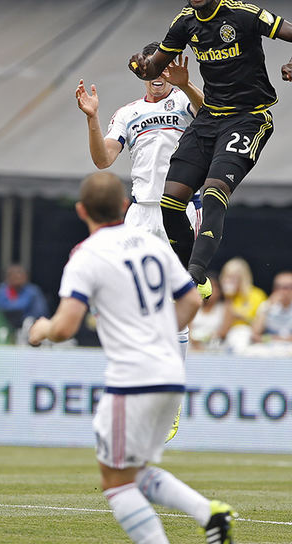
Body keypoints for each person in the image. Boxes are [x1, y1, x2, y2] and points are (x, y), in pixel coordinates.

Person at [28, 172, 237, 544]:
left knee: (117, 483)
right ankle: (209, 514)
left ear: (81, 211)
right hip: (169, 370)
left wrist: (40, 330)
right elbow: (192, 300)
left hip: (133, 376)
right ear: (125, 207)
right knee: (133, 472)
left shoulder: (86, 254)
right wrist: (157, 333)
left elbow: (66, 325)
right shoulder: (151, 244)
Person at [128, 0, 292, 300]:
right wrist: (140, 66)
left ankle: (196, 273)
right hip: (209, 118)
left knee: (214, 191)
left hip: (249, 116)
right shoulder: (184, 23)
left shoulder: (244, 15)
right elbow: (154, 68)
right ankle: (189, 277)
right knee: (170, 203)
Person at [77, 46, 206, 440]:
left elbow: (216, 120)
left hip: (179, 208)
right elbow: (103, 161)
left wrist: (190, 86)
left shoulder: (186, 100)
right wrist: (93, 118)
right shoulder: (128, 113)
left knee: (175, 298)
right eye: (151, 68)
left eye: (164, 67)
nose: (158, 74)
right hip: (140, 211)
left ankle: (171, 402)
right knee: (132, 297)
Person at [250, 271, 292, 352]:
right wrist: (267, 308)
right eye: (280, 287)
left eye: (289, 287)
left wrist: (269, 339)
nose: (285, 292)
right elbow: (255, 334)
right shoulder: (266, 306)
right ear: (274, 289)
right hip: (269, 347)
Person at [216, 257, 267, 351]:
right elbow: (222, 332)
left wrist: (242, 317)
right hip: (226, 341)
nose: (228, 281)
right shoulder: (221, 297)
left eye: (233, 277)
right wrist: (228, 298)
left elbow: (258, 329)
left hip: (249, 340)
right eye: (226, 276)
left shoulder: (257, 295)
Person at [0, 264, 49, 343]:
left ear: (26, 277)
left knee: (29, 322)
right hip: (4, 326)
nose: (17, 277)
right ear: (7, 277)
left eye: (20, 274)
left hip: (27, 329)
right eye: (14, 275)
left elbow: (41, 312)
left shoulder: (33, 291)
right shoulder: (0, 290)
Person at [188, 273, 224, 351]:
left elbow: (223, 332)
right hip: (192, 347)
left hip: (214, 348)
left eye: (214, 286)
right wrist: (194, 341)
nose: (211, 290)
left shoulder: (225, 308)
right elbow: (187, 330)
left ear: (219, 290)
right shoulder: (193, 306)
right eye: (208, 286)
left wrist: (205, 341)